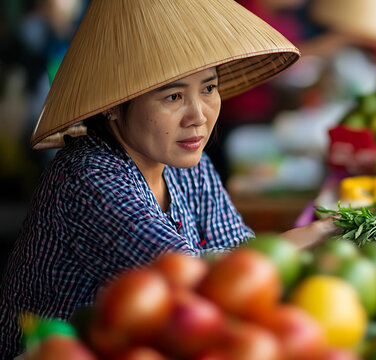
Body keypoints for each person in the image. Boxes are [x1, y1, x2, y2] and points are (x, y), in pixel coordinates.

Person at [0, 0, 339, 357]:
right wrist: (313, 233)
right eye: (174, 96)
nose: (198, 117)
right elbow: (197, 281)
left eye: (208, 89)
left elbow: (237, 254)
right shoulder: (88, 179)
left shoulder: (188, 164)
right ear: (114, 105)